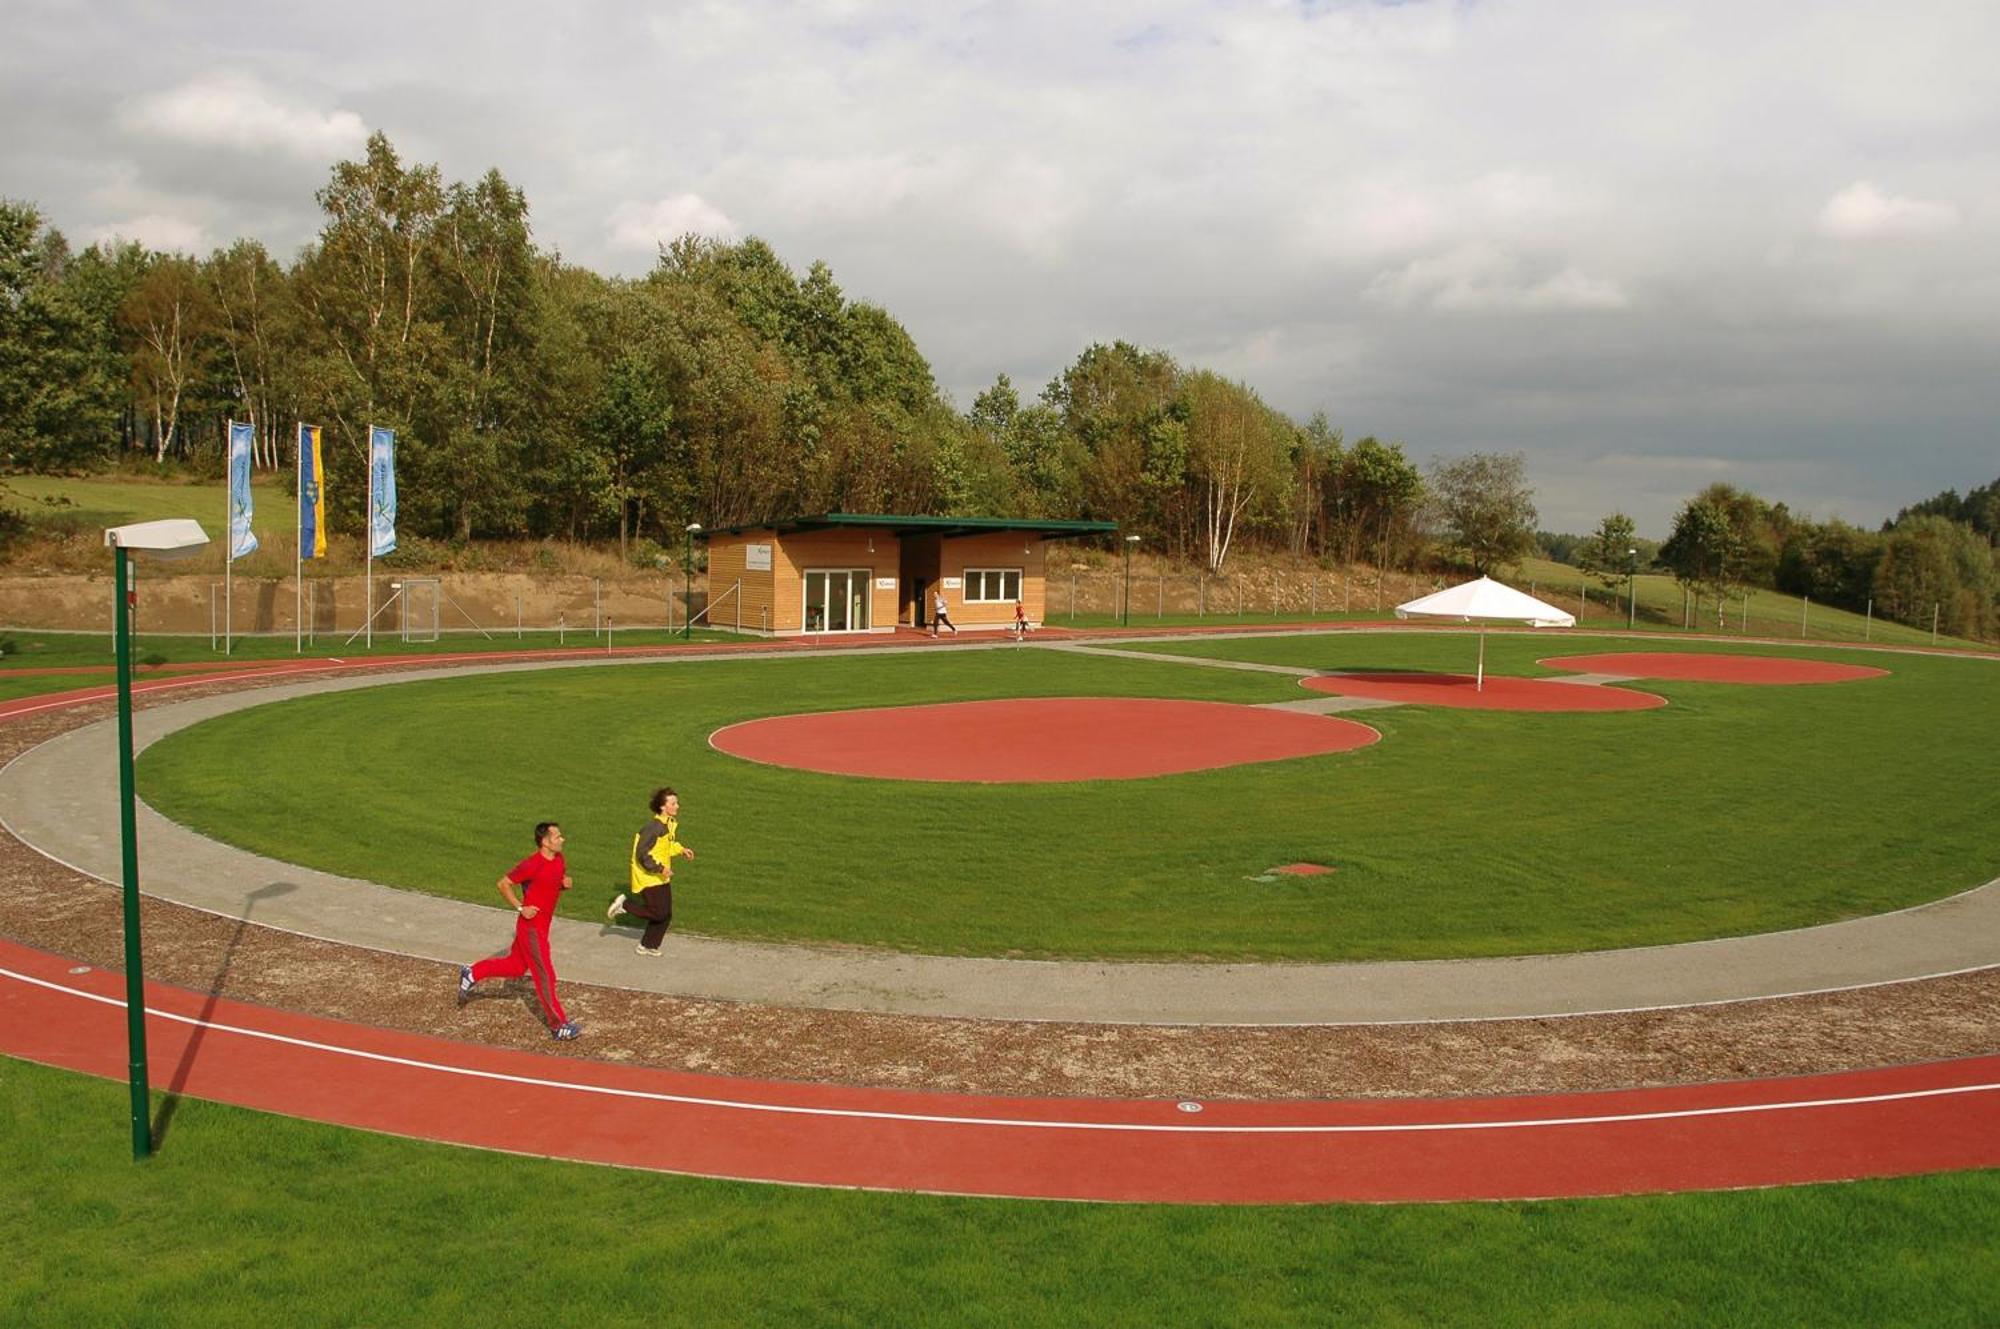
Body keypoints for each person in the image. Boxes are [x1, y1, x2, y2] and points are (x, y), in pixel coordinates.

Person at [458, 821, 580, 1040]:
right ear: (545, 841)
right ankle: (558, 1025)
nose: (563, 840)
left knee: (515, 966)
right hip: (531, 928)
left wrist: (564, 883)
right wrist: (521, 907)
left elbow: (550, 883)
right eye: (558, 837)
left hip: (542, 927)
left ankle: (473, 973)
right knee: (545, 975)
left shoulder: (560, 860)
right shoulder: (531, 864)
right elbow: (503, 883)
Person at [607, 786, 695, 956]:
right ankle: (624, 905)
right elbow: (641, 853)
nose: (677, 806)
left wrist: (681, 850)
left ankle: (648, 945)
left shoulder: (667, 824)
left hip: (660, 875)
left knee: (666, 914)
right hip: (648, 875)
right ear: (663, 807)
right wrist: (660, 868)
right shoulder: (653, 827)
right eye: (673, 803)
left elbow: (666, 847)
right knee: (658, 912)